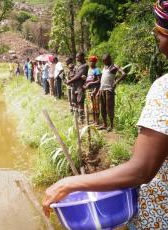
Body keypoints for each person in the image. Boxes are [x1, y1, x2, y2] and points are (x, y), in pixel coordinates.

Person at [43, 2, 168, 229]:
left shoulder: (165, 88)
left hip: (160, 217)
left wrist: (69, 184)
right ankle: (102, 123)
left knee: (105, 110)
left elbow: (142, 169)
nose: (154, 32)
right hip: (97, 90)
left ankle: (108, 125)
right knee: (93, 110)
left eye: (160, 27)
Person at [98, 54, 127, 132]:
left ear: (109, 59)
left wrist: (116, 82)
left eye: (105, 60)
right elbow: (102, 79)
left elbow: (124, 74)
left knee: (109, 108)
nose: (104, 62)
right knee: (102, 108)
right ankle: (104, 124)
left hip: (109, 90)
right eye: (103, 61)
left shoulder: (114, 66)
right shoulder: (104, 67)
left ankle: (111, 125)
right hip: (102, 90)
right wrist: (99, 90)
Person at [67, 52, 89, 123]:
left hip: (80, 86)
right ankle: (76, 117)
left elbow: (78, 76)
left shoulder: (85, 66)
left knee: (80, 102)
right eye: (76, 57)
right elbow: (74, 74)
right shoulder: (78, 66)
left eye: (78, 57)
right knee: (74, 101)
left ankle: (81, 118)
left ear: (82, 57)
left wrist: (70, 81)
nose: (76, 58)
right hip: (74, 85)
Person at [84, 55, 101, 125]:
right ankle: (93, 120)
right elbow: (88, 79)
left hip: (95, 90)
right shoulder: (89, 70)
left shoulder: (97, 70)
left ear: (95, 62)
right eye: (90, 61)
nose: (91, 63)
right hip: (88, 90)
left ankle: (97, 121)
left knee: (96, 105)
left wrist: (90, 83)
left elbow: (99, 81)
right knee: (91, 106)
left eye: (93, 61)